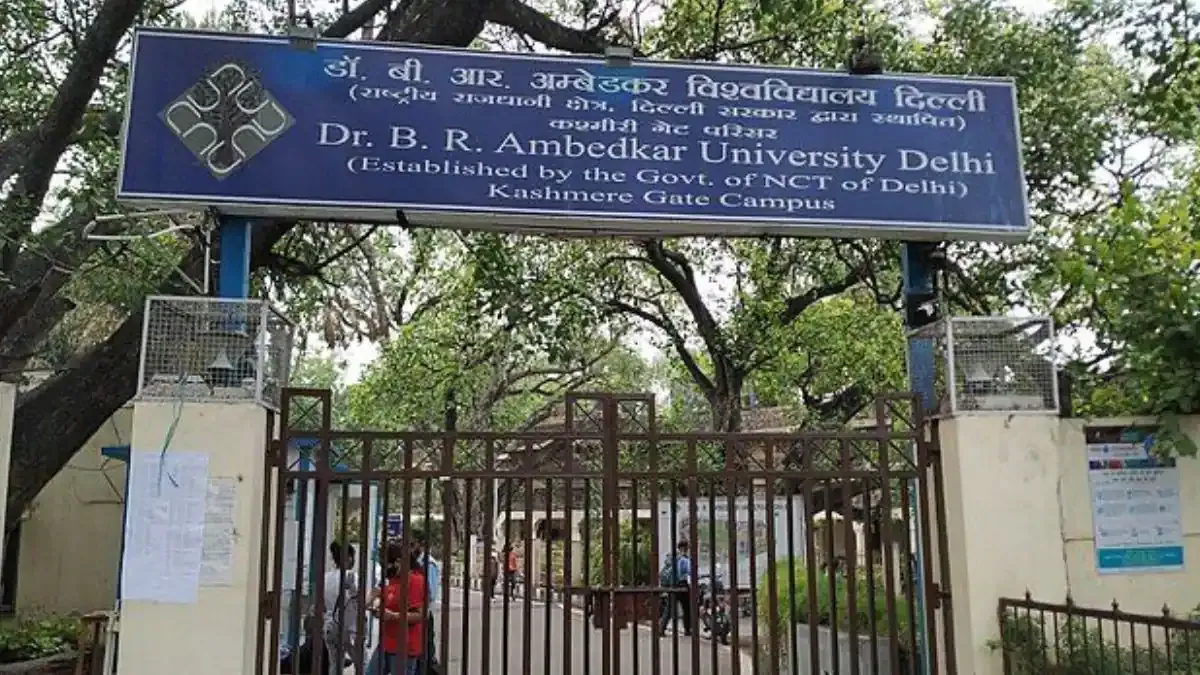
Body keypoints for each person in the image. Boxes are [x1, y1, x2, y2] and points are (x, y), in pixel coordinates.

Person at [366, 541, 426, 675]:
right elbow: (382, 601)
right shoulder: (391, 580)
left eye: (386, 564)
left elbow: (419, 615)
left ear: (398, 562)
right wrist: (376, 606)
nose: (384, 568)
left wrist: (393, 616)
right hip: (386, 643)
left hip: (404, 647)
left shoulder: (415, 581)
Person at [323, 541, 359, 673]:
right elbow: (360, 602)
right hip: (350, 628)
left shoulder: (326, 577)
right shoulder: (353, 577)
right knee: (361, 663)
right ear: (349, 558)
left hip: (330, 625)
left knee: (334, 664)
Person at [410, 528, 441, 671]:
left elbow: (431, 592)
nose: (410, 547)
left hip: (423, 616)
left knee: (425, 656)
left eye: (413, 544)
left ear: (421, 544)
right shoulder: (414, 562)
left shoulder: (429, 564)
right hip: (412, 616)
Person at [658, 540, 693, 636]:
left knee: (669, 609)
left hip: (672, 585)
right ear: (684, 547)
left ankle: (661, 629)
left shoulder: (673, 557)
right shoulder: (684, 559)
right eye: (687, 547)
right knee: (686, 608)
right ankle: (687, 629)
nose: (688, 549)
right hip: (682, 585)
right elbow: (689, 571)